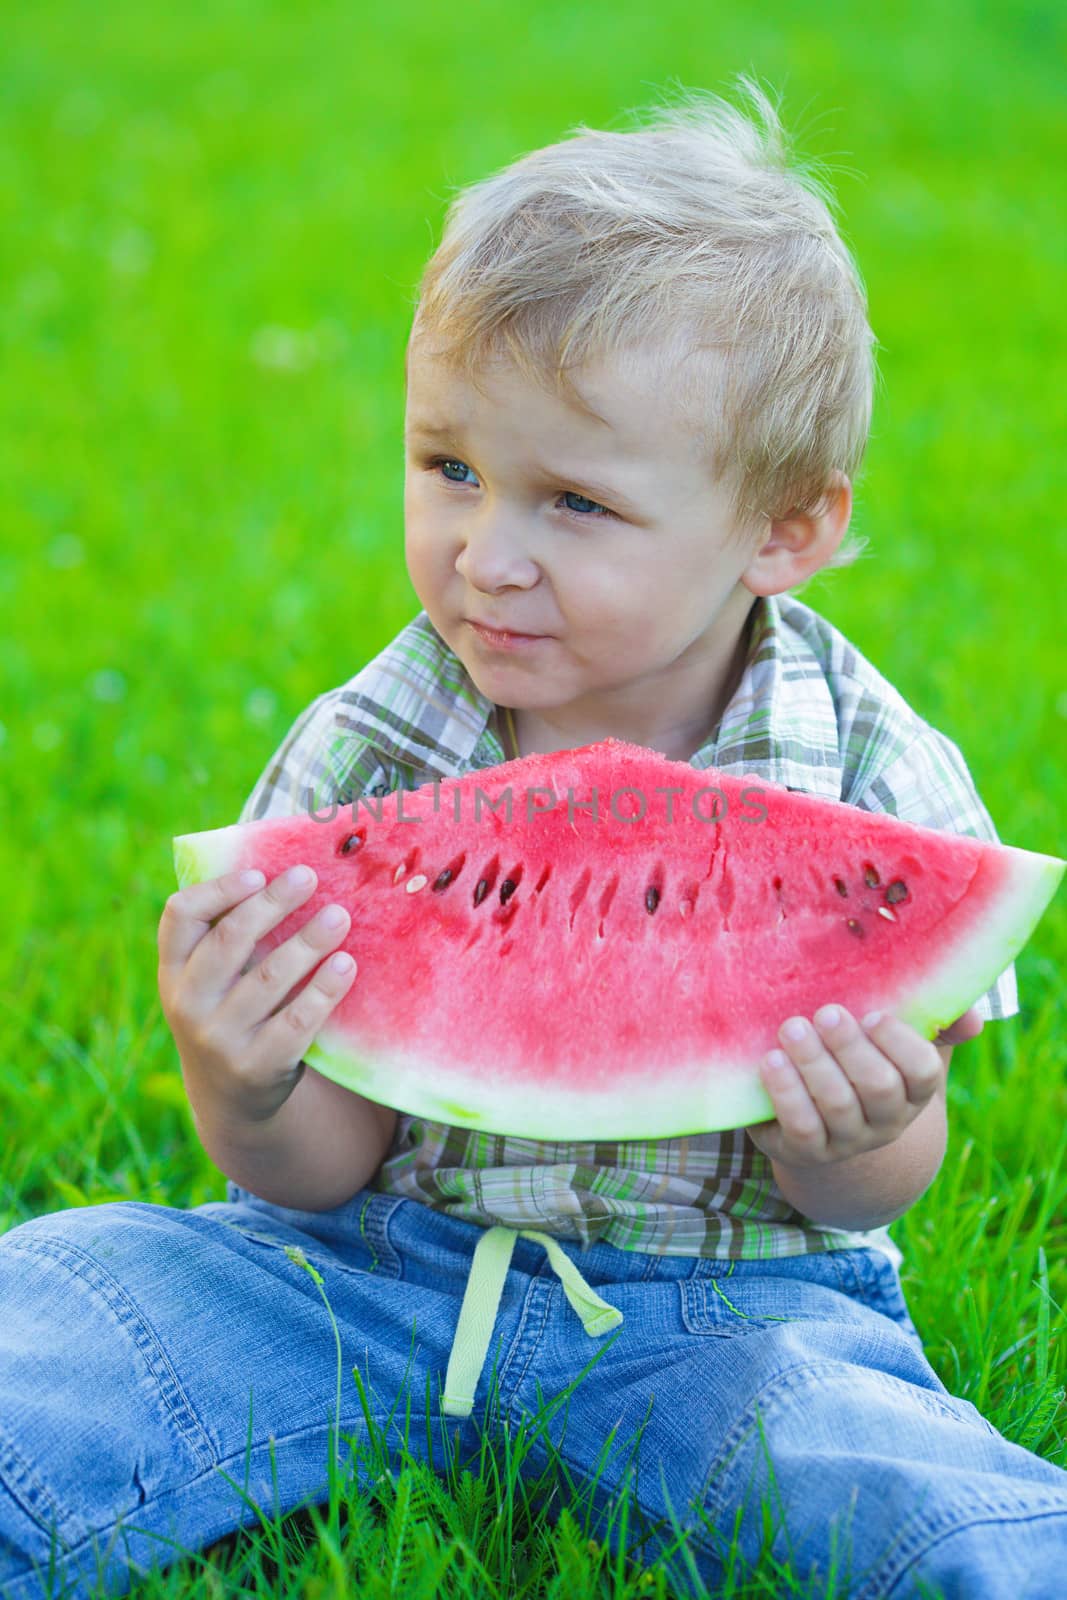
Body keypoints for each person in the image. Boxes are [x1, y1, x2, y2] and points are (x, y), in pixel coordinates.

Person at [2, 75, 1065, 1600]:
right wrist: (242, 1077)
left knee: (941, 1530)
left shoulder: (877, 787)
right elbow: (312, 1168)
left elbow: (876, 1189)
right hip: (354, 1274)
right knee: (45, 1331)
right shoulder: (367, 751)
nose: (486, 557)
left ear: (787, 528)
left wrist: (861, 1135)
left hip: (723, 1319)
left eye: (574, 502)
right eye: (451, 470)